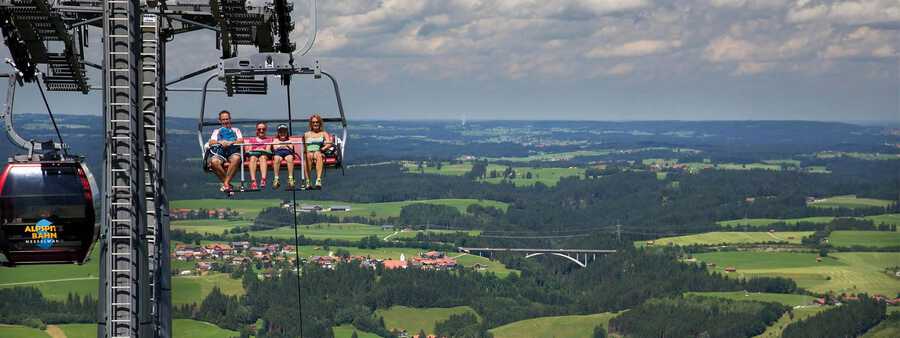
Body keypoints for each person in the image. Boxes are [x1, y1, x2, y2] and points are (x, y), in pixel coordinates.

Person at [206, 110, 243, 192]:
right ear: (220, 121)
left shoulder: (236, 130)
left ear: (230, 119)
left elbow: (241, 140)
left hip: (232, 152)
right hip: (220, 152)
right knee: (214, 162)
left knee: (236, 159)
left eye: (227, 119)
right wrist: (220, 142)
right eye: (223, 120)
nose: (226, 121)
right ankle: (228, 184)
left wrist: (231, 142)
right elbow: (211, 142)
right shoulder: (217, 131)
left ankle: (226, 183)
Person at [303, 114, 334, 189]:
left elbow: (329, 143)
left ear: (320, 123)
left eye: (317, 122)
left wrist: (322, 149)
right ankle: (308, 181)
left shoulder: (323, 133)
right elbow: (304, 146)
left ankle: (318, 180)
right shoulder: (306, 134)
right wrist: (307, 152)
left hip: (318, 151)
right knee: (308, 156)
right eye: (313, 122)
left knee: (318, 155)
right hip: (308, 152)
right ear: (311, 124)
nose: (315, 124)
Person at [243, 122, 273, 190]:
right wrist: (255, 149)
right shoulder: (252, 140)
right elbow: (249, 150)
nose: (261, 131)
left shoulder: (269, 140)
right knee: (253, 158)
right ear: (257, 130)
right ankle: (253, 180)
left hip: (264, 155)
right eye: (259, 129)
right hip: (254, 155)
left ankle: (263, 179)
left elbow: (268, 150)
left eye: (263, 129)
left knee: (262, 158)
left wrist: (262, 149)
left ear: (266, 130)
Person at [271, 124, 297, 189]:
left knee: (290, 158)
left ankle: (290, 177)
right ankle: (276, 178)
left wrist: (283, 146)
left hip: (287, 153)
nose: (282, 134)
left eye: (284, 132)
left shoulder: (289, 140)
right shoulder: (275, 140)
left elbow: (291, 148)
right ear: (278, 133)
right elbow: (275, 148)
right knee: (276, 159)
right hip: (278, 153)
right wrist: (284, 145)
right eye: (281, 132)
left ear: (287, 133)